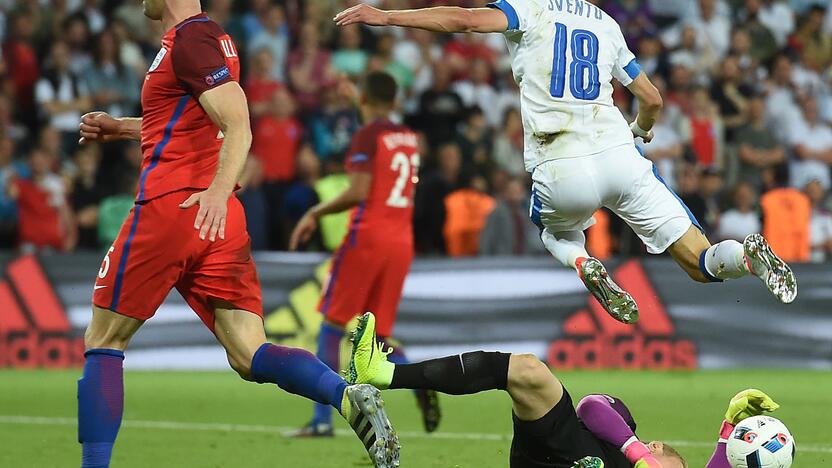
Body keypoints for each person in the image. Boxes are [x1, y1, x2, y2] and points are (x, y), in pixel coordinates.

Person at [74, 1, 399, 467]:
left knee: (104, 340)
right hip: (218, 219)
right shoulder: (209, 38)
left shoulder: (190, 39)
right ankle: (345, 396)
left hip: (174, 207)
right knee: (249, 354)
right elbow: (192, 121)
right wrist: (125, 128)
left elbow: (238, 123)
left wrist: (215, 188)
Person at [334, 1, 797, 326]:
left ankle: (585, 264)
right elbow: (652, 99)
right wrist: (637, 131)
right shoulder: (606, 24)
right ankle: (746, 254)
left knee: (555, 233)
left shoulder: (527, 7)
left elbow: (466, 21)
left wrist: (388, 15)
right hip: (620, 155)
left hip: (561, 161)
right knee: (700, 262)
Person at [348, 312, 783, 468]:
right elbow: (592, 405)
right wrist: (638, 455)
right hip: (556, 452)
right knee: (531, 372)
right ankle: (383, 374)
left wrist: (730, 424)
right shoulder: (619, 441)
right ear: (657, 445)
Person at [288, 71, 440, 437]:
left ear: (363, 100)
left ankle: (322, 420)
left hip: (367, 238)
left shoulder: (367, 134)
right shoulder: (407, 137)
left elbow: (358, 191)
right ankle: (419, 381)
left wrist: (315, 212)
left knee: (331, 326)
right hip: (401, 242)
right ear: (396, 100)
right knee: (377, 337)